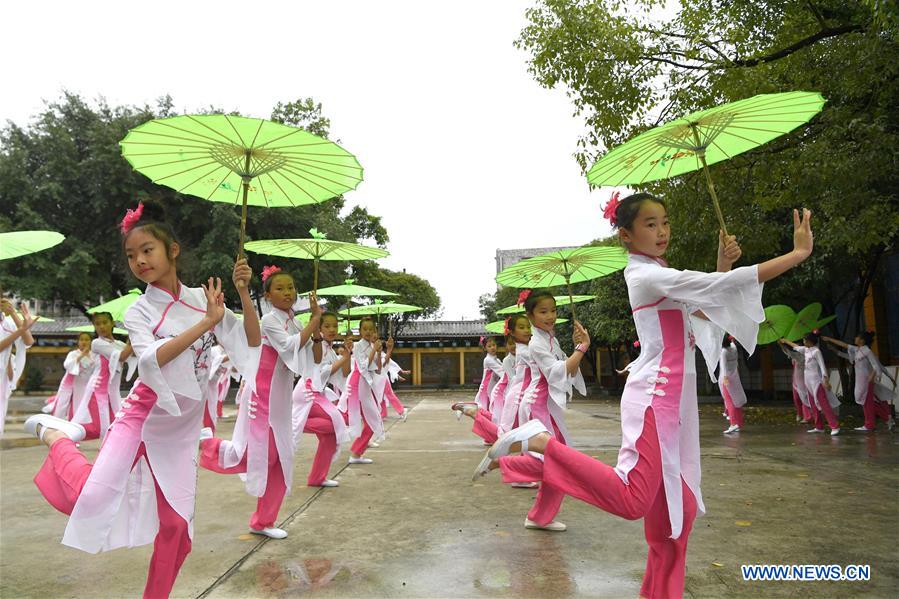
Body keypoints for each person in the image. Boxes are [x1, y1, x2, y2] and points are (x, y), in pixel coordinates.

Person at [475, 193, 814, 599]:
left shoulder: (661, 272)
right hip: (654, 398)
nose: (662, 231)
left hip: (677, 405)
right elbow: (717, 287)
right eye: (650, 224)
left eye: (665, 222)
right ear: (626, 235)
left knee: (678, 517)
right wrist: (797, 253)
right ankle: (539, 441)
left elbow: (704, 305)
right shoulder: (643, 275)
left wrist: (722, 266)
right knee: (634, 499)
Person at [24, 200, 261, 598]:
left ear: (173, 250)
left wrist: (243, 292)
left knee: (177, 530)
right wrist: (206, 323)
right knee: (91, 498)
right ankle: (55, 435)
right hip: (143, 415)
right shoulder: (139, 311)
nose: (138, 261)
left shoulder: (205, 299)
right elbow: (150, 359)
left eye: (146, 250)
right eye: (131, 255)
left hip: (181, 429)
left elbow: (251, 341)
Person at [294, 311, 353, 487]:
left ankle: (317, 478)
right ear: (319, 328)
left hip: (319, 394)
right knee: (338, 422)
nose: (332, 329)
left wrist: (347, 354)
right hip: (308, 392)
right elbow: (321, 372)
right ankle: (290, 424)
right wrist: (343, 358)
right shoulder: (315, 345)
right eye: (327, 326)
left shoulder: (332, 350)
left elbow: (344, 373)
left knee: (330, 437)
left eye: (335, 326)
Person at [72, 311, 135, 440]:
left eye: (105, 323)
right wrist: (135, 339)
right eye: (97, 324)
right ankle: (65, 436)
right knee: (100, 428)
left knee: (116, 425)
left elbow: (134, 354)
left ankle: (109, 455)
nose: (101, 327)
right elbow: (122, 356)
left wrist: (135, 337)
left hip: (112, 392)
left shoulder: (119, 344)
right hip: (98, 390)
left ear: (112, 324)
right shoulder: (96, 343)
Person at [823, 332, 895, 432]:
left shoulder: (867, 351)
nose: (855, 338)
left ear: (862, 340)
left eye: (857, 337)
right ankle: (886, 419)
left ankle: (870, 424)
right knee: (866, 402)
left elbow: (876, 366)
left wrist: (872, 376)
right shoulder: (857, 350)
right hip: (860, 381)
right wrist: (830, 340)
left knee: (867, 403)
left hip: (866, 381)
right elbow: (843, 344)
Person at [339, 316, 385, 464]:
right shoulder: (358, 346)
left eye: (371, 329)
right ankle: (354, 452)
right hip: (358, 382)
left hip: (365, 383)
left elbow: (378, 369)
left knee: (371, 418)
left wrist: (378, 351)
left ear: (375, 331)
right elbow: (363, 366)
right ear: (359, 331)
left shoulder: (372, 346)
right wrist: (374, 351)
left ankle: (357, 452)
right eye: (365, 329)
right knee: (369, 418)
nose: (368, 331)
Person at [782, 333, 841, 435]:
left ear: (809, 341)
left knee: (824, 404)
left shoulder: (816, 351)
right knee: (813, 404)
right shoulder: (806, 350)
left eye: (805, 340)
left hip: (817, 381)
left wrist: (826, 380)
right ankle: (819, 426)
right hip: (808, 381)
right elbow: (795, 347)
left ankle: (834, 426)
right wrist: (785, 341)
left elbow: (822, 366)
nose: (803, 342)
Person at [1, 298, 36, 435]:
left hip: (2, 379)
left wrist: (15, 315)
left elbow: (28, 341)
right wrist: (21, 329)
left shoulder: (7, 322)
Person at [44, 332, 97, 420]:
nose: (84, 342)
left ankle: (78, 423)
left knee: (80, 404)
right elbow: (67, 365)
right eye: (81, 340)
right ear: (78, 342)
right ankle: (57, 422)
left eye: (87, 340)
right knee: (62, 404)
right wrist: (81, 355)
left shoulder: (94, 356)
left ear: (91, 342)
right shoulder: (73, 354)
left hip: (84, 384)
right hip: (69, 383)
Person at [778, 338, 812, 423]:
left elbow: (789, 352)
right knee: (796, 398)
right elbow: (789, 353)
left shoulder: (804, 354)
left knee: (804, 397)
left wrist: (784, 342)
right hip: (796, 379)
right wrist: (781, 345)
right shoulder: (796, 355)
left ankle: (807, 417)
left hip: (804, 379)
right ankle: (799, 414)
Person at [719, 336, 747, 434]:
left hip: (726, 378)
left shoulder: (724, 352)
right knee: (737, 400)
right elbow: (733, 340)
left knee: (729, 401)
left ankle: (733, 423)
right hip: (735, 376)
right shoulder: (734, 348)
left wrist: (725, 378)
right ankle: (738, 423)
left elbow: (723, 366)